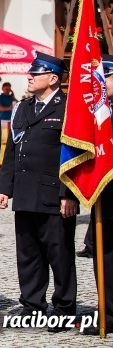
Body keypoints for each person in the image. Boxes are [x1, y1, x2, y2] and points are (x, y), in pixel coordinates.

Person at [0, 52, 77, 333]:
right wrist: (5, 188)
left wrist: (69, 194)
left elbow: (74, 155)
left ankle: (64, 309)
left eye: (36, 73)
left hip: (54, 195)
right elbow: (12, 151)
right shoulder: (22, 107)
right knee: (28, 255)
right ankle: (32, 306)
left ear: (53, 78)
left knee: (60, 254)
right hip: (25, 193)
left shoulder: (67, 108)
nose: (29, 77)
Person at [80, 54, 113, 336]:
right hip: (106, 194)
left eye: (105, 77)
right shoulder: (96, 112)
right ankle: (108, 312)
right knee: (105, 257)